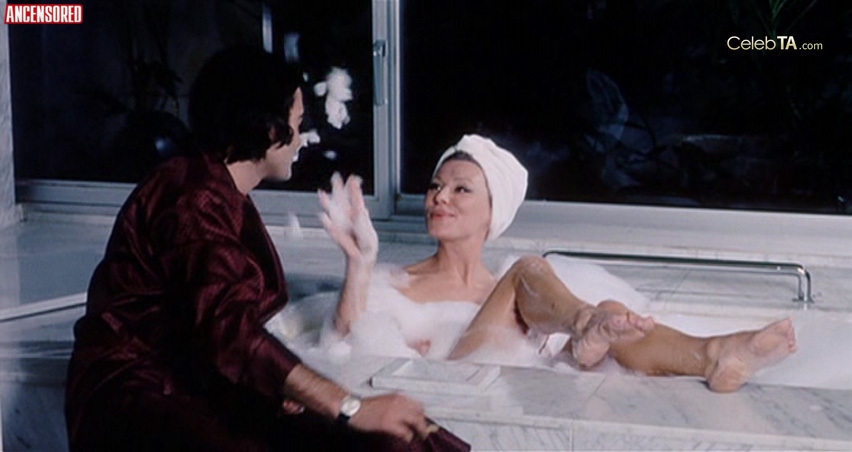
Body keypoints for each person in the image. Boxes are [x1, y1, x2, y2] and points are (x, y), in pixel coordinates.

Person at [65, 48, 469, 452]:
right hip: (138, 401)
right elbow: (230, 332)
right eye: (297, 123)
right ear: (271, 128)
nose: (302, 138)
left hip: (194, 386)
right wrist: (349, 406)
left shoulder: (222, 192)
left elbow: (224, 332)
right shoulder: (191, 198)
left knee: (403, 438)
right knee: (353, 427)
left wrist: (285, 387)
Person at [316, 134, 797, 394]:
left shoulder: (512, 293)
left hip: (515, 378)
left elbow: (536, 367)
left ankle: (713, 354)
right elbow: (343, 345)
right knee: (530, 269)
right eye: (435, 187)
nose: (440, 197)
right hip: (456, 384)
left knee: (613, 312)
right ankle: (588, 326)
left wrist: (575, 352)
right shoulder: (403, 284)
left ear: (493, 211)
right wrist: (361, 265)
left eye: (461, 189)